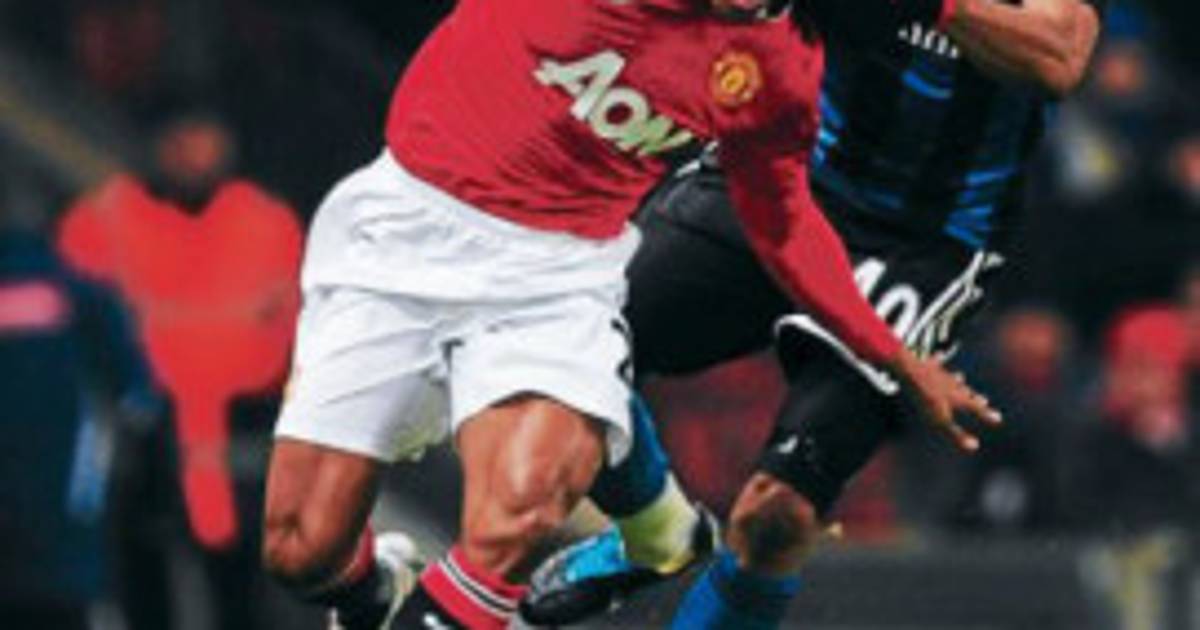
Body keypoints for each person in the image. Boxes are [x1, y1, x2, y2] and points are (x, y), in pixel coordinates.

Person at [258, 1, 999, 629]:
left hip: (558, 281)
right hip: (398, 233)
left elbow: (783, 225)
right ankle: (380, 588)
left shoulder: (778, 65)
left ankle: (645, 537)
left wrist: (895, 357)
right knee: (300, 550)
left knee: (520, 510)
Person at [521, 0, 1108, 627]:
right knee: (575, 348)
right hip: (782, 174)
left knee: (778, 516)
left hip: (921, 246)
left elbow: (1060, 54)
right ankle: (655, 534)